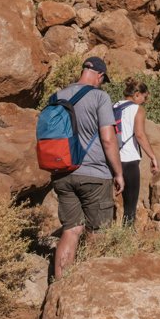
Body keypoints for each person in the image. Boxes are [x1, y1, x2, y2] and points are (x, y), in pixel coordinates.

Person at [52, 57, 125, 279]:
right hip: (94, 174)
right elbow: (108, 139)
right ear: (99, 76)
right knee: (98, 232)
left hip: (62, 173)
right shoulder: (99, 96)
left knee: (71, 230)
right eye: (103, 80)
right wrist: (118, 173)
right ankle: (89, 286)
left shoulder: (57, 96)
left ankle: (60, 285)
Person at [113, 78, 160, 226]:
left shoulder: (113, 106)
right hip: (129, 160)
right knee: (130, 205)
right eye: (144, 98)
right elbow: (139, 134)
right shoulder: (137, 109)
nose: (144, 102)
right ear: (137, 94)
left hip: (111, 158)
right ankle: (126, 240)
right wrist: (153, 157)